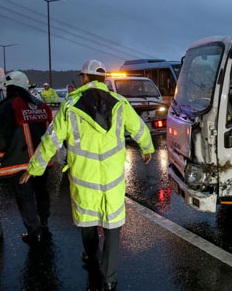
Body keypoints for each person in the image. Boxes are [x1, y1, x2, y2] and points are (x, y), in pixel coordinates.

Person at [19, 60, 155, 290]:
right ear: (102, 79)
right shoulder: (120, 103)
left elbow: (51, 140)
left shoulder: (70, 106)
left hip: (84, 177)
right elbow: (139, 128)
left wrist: (34, 168)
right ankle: (110, 279)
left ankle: (91, 258)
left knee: (88, 220)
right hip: (112, 178)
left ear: (84, 78)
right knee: (113, 225)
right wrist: (148, 148)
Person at [0, 71, 54, 244]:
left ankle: (34, 231)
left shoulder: (8, 106)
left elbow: (3, 136)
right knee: (41, 191)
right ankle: (44, 222)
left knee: (25, 197)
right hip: (41, 161)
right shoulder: (41, 105)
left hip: (19, 163)